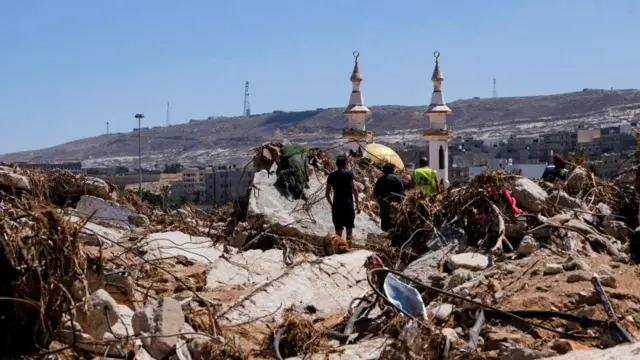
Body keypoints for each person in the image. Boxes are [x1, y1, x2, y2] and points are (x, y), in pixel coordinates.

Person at [326, 155, 360, 241]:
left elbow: (327, 193)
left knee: (338, 232)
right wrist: (358, 205)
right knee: (349, 230)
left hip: (337, 206)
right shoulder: (349, 174)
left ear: (337, 164)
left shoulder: (331, 176)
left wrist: (332, 205)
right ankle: (348, 248)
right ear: (345, 164)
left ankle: (339, 250)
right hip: (348, 206)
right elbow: (355, 190)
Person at [374, 163, 404, 232]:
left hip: (384, 207)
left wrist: (380, 203)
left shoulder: (380, 180)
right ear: (392, 170)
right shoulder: (397, 179)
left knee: (384, 228)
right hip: (395, 207)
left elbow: (375, 195)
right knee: (395, 224)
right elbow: (402, 192)